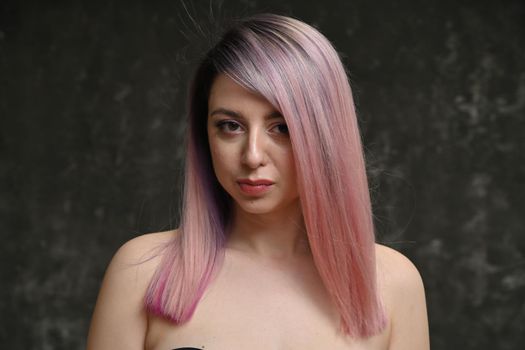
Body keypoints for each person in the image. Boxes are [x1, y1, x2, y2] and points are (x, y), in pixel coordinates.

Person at [87, 13, 429, 350]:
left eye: (281, 127)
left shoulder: (391, 284)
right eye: (230, 126)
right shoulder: (142, 272)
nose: (252, 156)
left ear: (326, 136)